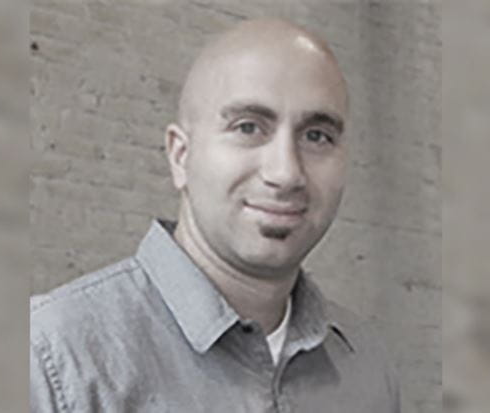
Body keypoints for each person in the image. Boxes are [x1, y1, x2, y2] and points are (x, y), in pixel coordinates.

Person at [31, 18, 400, 412]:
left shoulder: (365, 366)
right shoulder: (54, 359)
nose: (286, 172)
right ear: (180, 156)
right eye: (248, 127)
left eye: (316, 136)